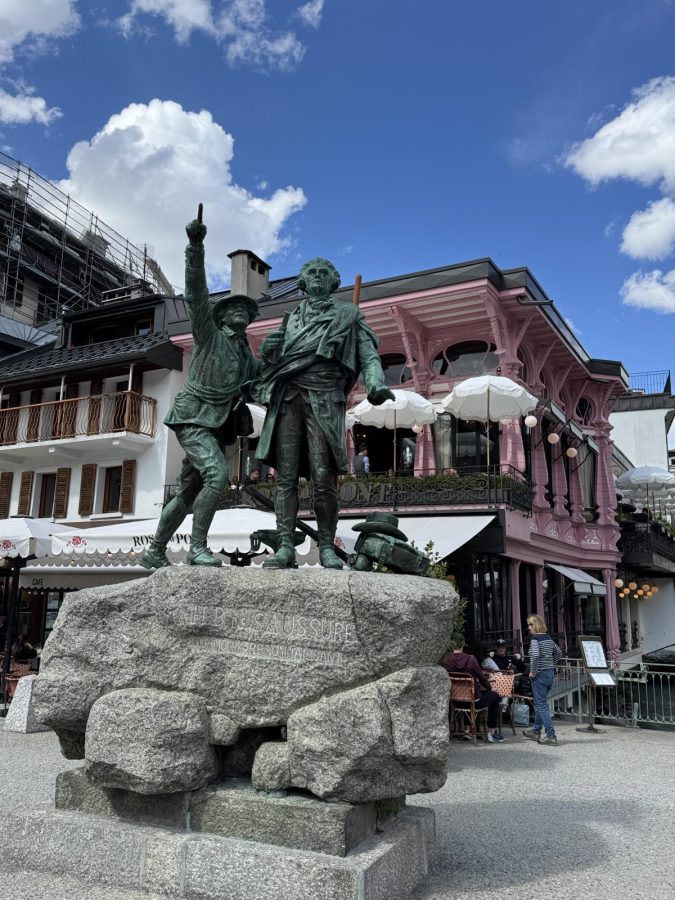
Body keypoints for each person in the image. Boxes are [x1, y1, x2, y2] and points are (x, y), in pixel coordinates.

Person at [253, 257, 394, 569]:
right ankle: (285, 546)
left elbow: (369, 355)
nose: (317, 277)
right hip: (288, 397)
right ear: (302, 282)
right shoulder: (289, 320)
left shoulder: (348, 315)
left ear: (334, 281)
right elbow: (271, 365)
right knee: (285, 477)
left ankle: (327, 547)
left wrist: (375, 383)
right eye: (311, 273)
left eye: (323, 273)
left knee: (323, 476)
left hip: (326, 397)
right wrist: (271, 352)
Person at [140, 206, 260, 568]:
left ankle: (154, 550)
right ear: (221, 316)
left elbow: (260, 383)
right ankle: (197, 547)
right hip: (193, 416)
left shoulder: (246, 356)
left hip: (214, 425)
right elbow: (195, 291)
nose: (240, 312)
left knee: (189, 490)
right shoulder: (209, 336)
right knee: (217, 476)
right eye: (233, 308)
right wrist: (195, 246)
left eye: (246, 310)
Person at [441, 638, 505, 743]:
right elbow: (481, 677)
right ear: (463, 645)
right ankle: (492, 731)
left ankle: (467, 729)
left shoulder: (446, 660)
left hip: (455, 701)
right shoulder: (471, 660)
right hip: (473, 701)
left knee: (471, 696)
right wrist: (490, 688)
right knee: (495, 695)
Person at [522, 614, 562, 746]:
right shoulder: (548, 638)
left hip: (539, 675)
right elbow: (559, 653)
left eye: (531, 624)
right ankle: (536, 730)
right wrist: (551, 664)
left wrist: (533, 671)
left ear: (537, 625)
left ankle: (551, 735)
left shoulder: (536, 640)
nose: (528, 627)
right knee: (542, 703)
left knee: (541, 706)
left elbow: (534, 656)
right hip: (550, 673)